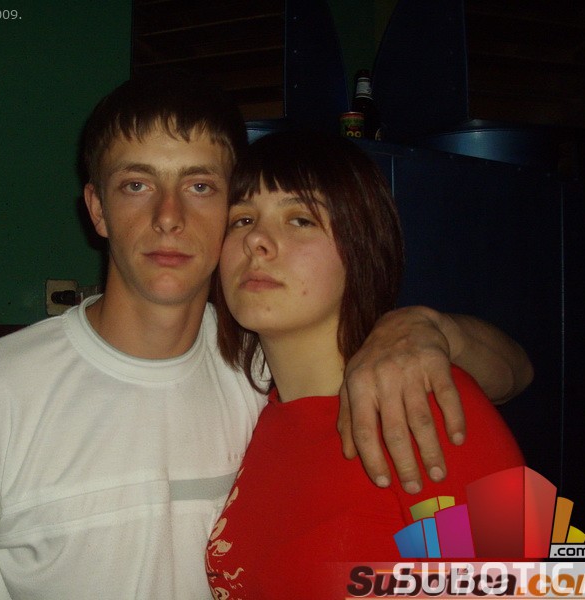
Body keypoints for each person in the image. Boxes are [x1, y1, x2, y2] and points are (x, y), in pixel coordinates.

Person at [0, 71, 531, 599]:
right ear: (97, 209)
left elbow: (534, 575)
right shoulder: (261, 399)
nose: (169, 216)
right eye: (136, 184)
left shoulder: (416, 401)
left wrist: (429, 327)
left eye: (201, 187)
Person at [206, 130, 527, 599]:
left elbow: (515, 584)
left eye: (300, 219)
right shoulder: (256, 420)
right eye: (242, 219)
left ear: (361, 250)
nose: (256, 239)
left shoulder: (430, 406)